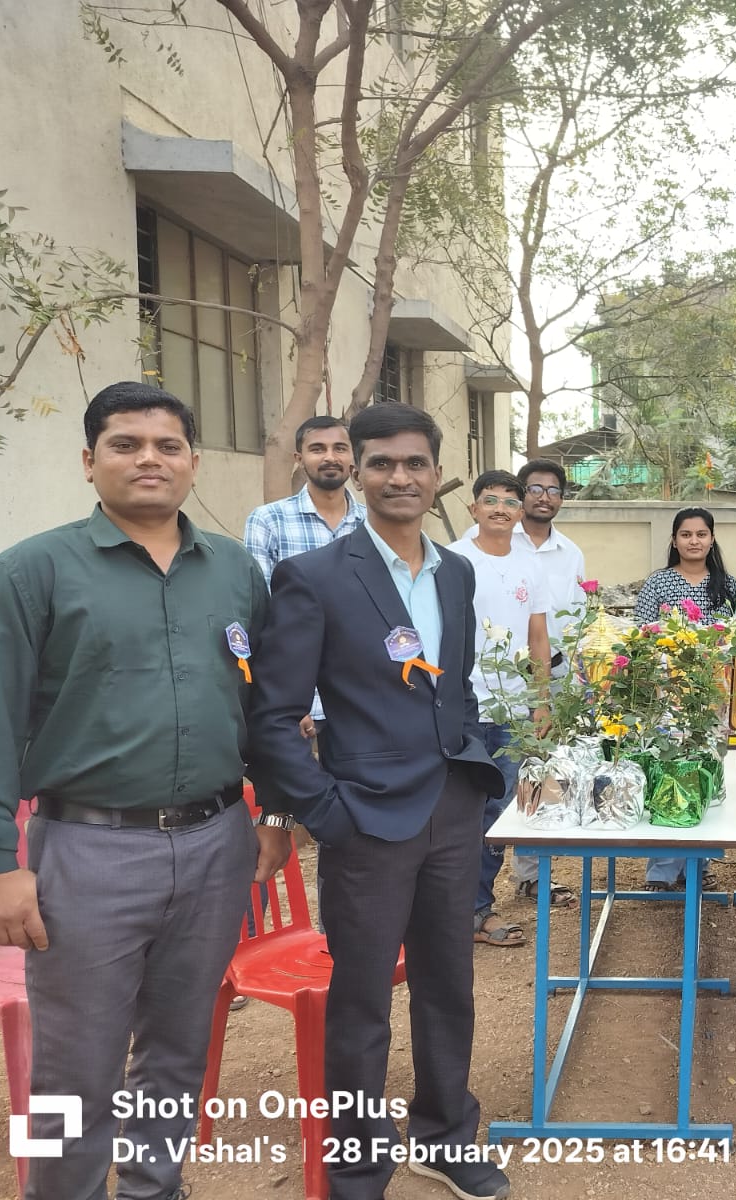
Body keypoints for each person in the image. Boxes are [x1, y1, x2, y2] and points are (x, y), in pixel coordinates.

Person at [0, 382, 283, 1200]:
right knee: (73, 1065)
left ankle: (154, 1186)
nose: (149, 459)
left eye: (167, 446)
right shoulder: (28, 572)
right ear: (89, 460)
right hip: (87, 852)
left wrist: (274, 809)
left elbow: (261, 704)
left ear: (192, 463)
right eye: (126, 444)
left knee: (179, 1049)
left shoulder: (234, 570)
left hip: (215, 843)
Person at [247, 404, 510, 1200]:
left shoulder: (456, 573)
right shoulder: (316, 576)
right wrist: (325, 811)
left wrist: (476, 771)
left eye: (415, 463)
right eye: (383, 464)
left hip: (452, 814)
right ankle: (358, 1165)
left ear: (438, 475)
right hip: (364, 822)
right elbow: (273, 714)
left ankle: (444, 1137)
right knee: (361, 1004)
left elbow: (453, 690)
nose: (401, 477)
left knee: (448, 988)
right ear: (358, 474)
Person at [243, 413, 366, 942]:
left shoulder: (372, 522)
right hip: (293, 702)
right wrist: (283, 700)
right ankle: (248, 940)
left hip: (355, 702)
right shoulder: (269, 521)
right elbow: (260, 615)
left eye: (339, 448)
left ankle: (340, 939)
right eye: (318, 448)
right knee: (274, 818)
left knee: (342, 825)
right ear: (300, 458)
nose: (330, 457)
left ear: (353, 458)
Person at [445, 469, 550, 948]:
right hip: (460, 708)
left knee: (499, 810)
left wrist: (540, 701)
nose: (501, 509)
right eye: (491, 500)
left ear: (520, 511)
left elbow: (538, 637)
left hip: (511, 709)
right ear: (474, 508)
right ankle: (446, 908)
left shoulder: (530, 566)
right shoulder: (451, 560)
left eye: (510, 502)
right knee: (453, 811)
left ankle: (476, 908)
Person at [633, 508, 736, 889]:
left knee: (704, 769)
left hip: (711, 696)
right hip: (668, 696)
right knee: (669, 769)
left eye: (701, 534)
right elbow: (640, 633)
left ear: (712, 539)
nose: (694, 541)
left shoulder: (727, 585)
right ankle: (662, 869)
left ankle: (699, 865)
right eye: (686, 534)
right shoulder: (658, 583)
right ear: (674, 540)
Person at [502, 457, 587, 908]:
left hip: (552, 681)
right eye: (535, 488)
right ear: (521, 494)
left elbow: (575, 622)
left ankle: (533, 874)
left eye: (554, 491)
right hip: (497, 681)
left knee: (543, 776)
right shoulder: (495, 540)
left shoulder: (570, 553)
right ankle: (474, 889)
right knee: (497, 782)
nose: (544, 497)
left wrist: (571, 685)